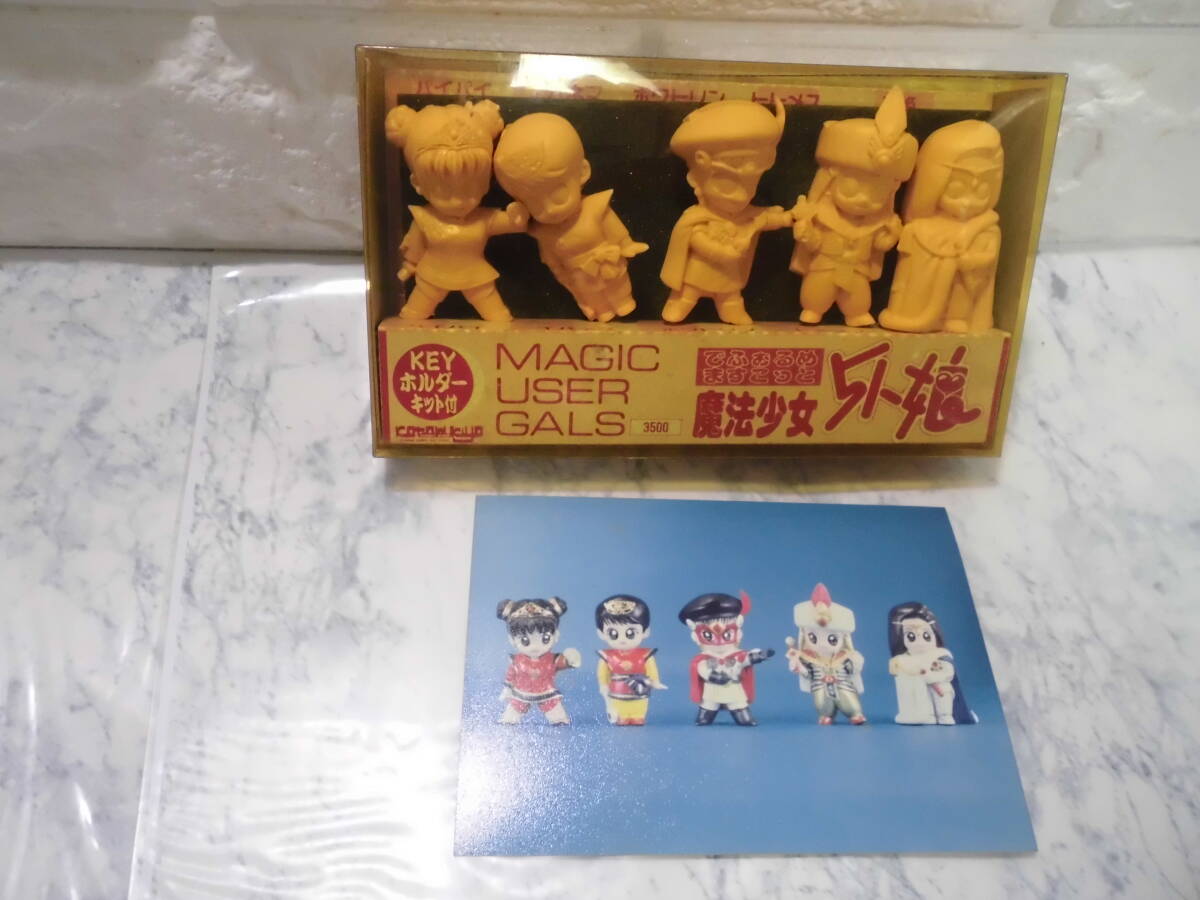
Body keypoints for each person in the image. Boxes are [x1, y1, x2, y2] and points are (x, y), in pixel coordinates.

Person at [493, 113, 648, 322]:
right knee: (595, 300)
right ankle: (602, 310)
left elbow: (614, 228)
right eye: (534, 203)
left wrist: (626, 244)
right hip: (579, 275)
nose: (549, 209)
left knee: (619, 289)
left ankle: (624, 302)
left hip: (608, 262)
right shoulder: (543, 231)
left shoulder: (594, 208)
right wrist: (562, 275)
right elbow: (550, 257)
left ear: (582, 172)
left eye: (558, 195)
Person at [386, 99, 526, 322]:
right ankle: (410, 328)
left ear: (487, 181)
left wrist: (518, 216)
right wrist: (409, 265)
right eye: (444, 193)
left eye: (471, 191)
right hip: (432, 274)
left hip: (475, 275)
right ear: (417, 183)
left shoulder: (483, 219)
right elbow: (415, 246)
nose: (459, 201)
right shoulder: (425, 219)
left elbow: (510, 223)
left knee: (495, 311)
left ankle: (501, 330)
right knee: (416, 310)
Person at [659, 100, 792, 325]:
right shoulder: (697, 218)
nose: (741, 197)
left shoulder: (747, 214)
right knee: (690, 291)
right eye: (727, 186)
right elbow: (698, 241)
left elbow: (764, 218)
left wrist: (787, 218)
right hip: (701, 270)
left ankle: (730, 310)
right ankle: (681, 303)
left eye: (750, 187)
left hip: (730, 274)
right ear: (696, 180)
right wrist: (721, 253)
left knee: (730, 295)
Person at [679, 591, 774, 726]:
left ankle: (743, 717)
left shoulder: (737, 655)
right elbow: (702, 669)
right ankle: (705, 717)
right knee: (709, 705)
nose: (719, 642)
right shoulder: (704, 659)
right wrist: (713, 676)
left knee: (738, 703)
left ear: (737, 633)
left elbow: (746, 659)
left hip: (734, 688)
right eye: (708, 635)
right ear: (697, 636)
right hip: (712, 689)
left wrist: (758, 656)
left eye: (727, 634)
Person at [594, 595, 666, 725]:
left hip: (640, 688)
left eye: (630, 633)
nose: (622, 640)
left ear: (645, 632)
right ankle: (622, 717)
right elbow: (602, 673)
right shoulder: (607, 657)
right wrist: (603, 685)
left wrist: (655, 681)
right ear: (601, 634)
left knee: (639, 706)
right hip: (617, 689)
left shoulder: (645, 655)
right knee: (620, 707)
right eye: (613, 634)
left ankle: (638, 716)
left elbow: (651, 670)